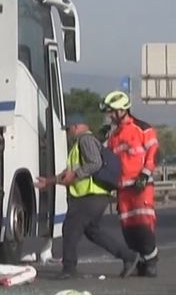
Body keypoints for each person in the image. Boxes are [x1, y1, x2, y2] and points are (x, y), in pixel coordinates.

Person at [36, 115, 139, 280]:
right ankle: (129, 257)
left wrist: (76, 174)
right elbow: (70, 173)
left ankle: (69, 268)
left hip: (90, 196)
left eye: (69, 129)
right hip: (95, 196)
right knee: (93, 232)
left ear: (76, 126)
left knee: (70, 229)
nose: (68, 133)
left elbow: (95, 163)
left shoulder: (85, 140)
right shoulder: (81, 144)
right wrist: (50, 181)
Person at [101, 90, 160, 277]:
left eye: (112, 111)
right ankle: (140, 261)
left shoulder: (142, 128)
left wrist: (144, 174)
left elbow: (153, 152)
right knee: (129, 229)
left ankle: (151, 262)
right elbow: (107, 159)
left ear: (122, 110)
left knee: (143, 225)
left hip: (140, 186)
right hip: (123, 189)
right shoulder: (113, 135)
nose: (109, 115)